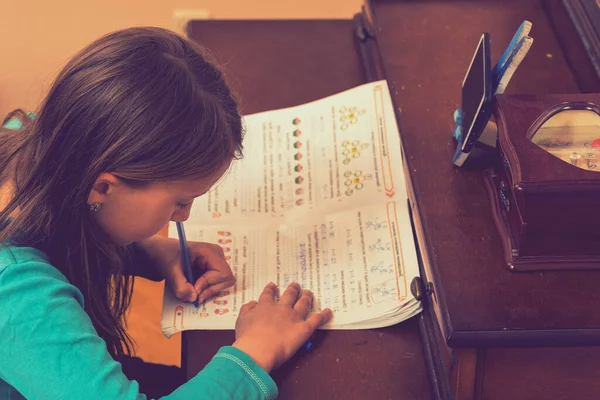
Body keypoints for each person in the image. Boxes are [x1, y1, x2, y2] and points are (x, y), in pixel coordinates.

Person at [0, 27, 332, 399]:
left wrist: (148, 251)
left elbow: (59, 224)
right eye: (179, 201)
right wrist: (255, 351)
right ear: (102, 187)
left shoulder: (33, 140)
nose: (183, 218)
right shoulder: (18, 296)